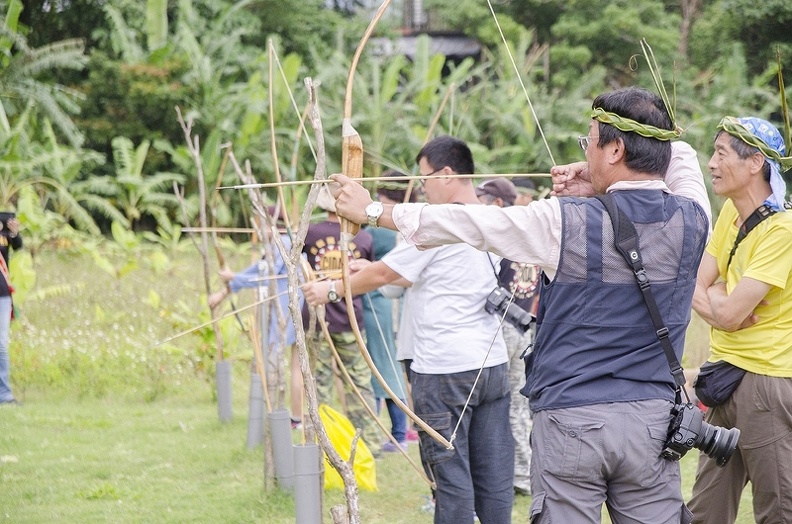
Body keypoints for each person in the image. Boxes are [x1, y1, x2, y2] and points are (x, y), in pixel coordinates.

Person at [329, 87, 712, 523]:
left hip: (574, 421)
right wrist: (603, 174)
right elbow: (679, 152)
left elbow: (470, 220)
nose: (584, 155)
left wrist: (376, 210)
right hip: (653, 422)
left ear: (617, 148)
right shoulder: (695, 215)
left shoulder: (561, 219)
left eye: (590, 143)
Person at [304, 136, 514, 524]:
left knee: (450, 477)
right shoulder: (491, 217)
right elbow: (422, 274)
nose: (422, 188)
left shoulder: (438, 222)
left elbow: (386, 271)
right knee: (494, 476)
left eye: (425, 179)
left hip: (444, 369)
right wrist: (357, 272)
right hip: (491, 365)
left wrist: (329, 289)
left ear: (448, 174)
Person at [687, 116, 792, 524]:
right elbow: (697, 286)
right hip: (722, 375)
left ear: (755, 163)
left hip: (766, 382)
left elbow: (727, 313)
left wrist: (718, 298)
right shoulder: (731, 212)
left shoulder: (782, 231)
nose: (711, 162)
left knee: (778, 508)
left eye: (721, 152)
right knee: (705, 509)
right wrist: (720, 298)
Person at [207, 209, 305, 427]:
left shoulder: (286, 243)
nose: (256, 230)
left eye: (260, 224)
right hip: (284, 310)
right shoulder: (275, 245)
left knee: (280, 361)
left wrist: (234, 277)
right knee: (281, 361)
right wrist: (224, 292)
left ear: (270, 224)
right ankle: (283, 415)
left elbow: (267, 276)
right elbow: (255, 271)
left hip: (290, 310)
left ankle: (287, 417)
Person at [302, 186, 380, 449]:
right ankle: (370, 442)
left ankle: (320, 441)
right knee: (358, 382)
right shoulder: (364, 238)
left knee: (319, 383)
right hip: (348, 318)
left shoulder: (310, 233)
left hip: (318, 317)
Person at [475, 177, 539, 497]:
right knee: (518, 404)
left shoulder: (502, 235)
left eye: (485, 199)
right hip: (527, 327)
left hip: (505, 328)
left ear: (499, 203)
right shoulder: (531, 232)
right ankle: (524, 475)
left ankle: (518, 475)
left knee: (503, 405)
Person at [364, 171, 414, 453]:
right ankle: (398, 433)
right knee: (388, 367)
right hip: (390, 302)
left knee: (384, 368)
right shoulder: (408, 221)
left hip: (381, 303)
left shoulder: (379, 228)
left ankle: (398, 434)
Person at [0, 213, 22, 406]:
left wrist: (14, 232)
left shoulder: (4, 224)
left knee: (1, 344)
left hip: (2, 293)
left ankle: (5, 394)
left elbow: (18, 246)